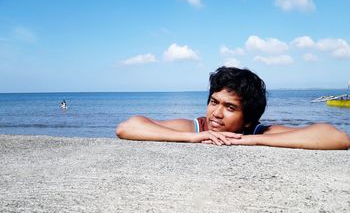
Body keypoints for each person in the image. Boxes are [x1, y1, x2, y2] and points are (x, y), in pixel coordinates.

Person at [116, 66, 350, 150]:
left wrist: (248, 140)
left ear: (248, 119)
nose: (216, 113)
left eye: (230, 107)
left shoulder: (256, 131)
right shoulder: (199, 126)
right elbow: (128, 127)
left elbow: (336, 137)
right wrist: (193, 137)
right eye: (214, 102)